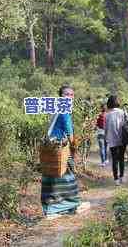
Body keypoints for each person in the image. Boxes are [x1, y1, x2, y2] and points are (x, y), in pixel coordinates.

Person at [41, 85, 90, 219]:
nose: (69, 96)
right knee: (66, 176)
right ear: (61, 96)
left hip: (52, 147)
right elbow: (70, 132)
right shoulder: (64, 110)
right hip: (59, 149)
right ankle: (67, 206)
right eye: (66, 94)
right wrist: (74, 147)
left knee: (52, 177)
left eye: (71, 94)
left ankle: (54, 208)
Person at [105, 95, 128, 186]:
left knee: (114, 159)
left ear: (109, 103)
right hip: (122, 138)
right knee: (121, 158)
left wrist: (106, 138)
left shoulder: (107, 114)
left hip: (112, 139)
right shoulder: (122, 112)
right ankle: (121, 177)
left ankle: (116, 179)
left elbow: (106, 128)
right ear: (117, 102)